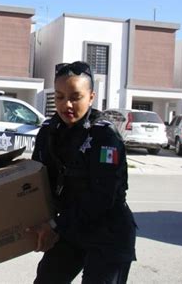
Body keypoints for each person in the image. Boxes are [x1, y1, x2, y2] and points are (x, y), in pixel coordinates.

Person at [30, 61, 137, 283]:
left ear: (91, 97)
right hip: (71, 228)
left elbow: (102, 198)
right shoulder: (49, 131)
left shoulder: (105, 136)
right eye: (59, 97)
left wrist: (54, 225)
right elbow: (38, 181)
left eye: (75, 97)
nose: (66, 104)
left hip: (108, 232)